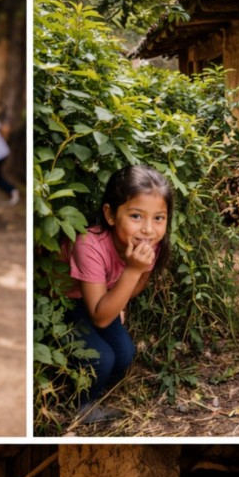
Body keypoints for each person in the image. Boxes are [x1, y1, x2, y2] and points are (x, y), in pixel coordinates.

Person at [63, 165, 173, 424]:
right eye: (136, 216)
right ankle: (80, 404)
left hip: (100, 300)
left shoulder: (147, 245)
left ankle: (94, 391)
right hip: (64, 302)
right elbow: (100, 317)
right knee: (101, 357)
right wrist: (133, 271)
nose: (148, 229)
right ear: (110, 215)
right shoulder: (88, 244)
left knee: (124, 354)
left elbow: (129, 290)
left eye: (159, 218)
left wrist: (123, 293)